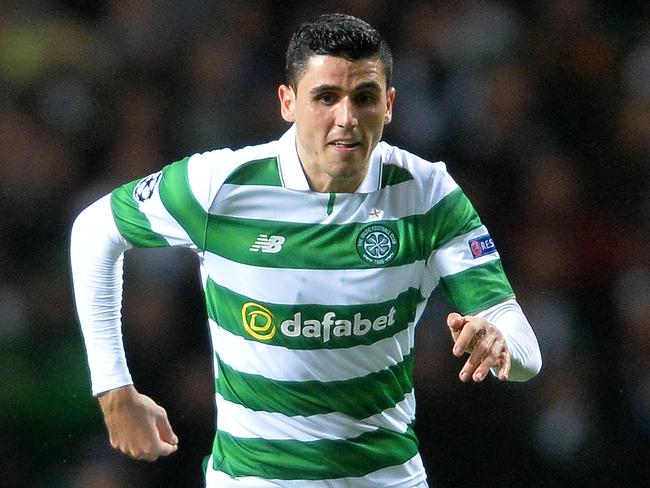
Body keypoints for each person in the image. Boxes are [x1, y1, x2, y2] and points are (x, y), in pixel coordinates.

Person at [71, 13, 541, 488]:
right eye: (325, 97)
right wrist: (113, 388)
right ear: (287, 102)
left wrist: (502, 344)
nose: (346, 118)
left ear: (390, 104)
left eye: (364, 97)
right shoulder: (220, 186)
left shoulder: (428, 194)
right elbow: (94, 229)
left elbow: (523, 345)